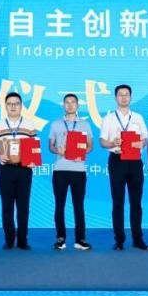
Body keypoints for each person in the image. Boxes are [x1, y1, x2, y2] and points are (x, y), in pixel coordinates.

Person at [99, 84, 148, 251]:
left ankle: (138, 239)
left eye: (126, 94)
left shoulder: (138, 117)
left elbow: (145, 139)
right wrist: (112, 143)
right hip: (117, 161)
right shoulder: (108, 118)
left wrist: (141, 143)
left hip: (135, 161)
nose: (123, 97)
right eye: (120, 95)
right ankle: (119, 240)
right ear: (115, 98)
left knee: (136, 202)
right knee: (118, 202)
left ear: (130, 97)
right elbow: (102, 142)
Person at [0, 92, 39, 250]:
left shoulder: (29, 124)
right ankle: (9, 239)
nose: (13, 106)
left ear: (21, 106)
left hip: (24, 170)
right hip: (5, 169)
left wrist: (33, 160)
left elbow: (34, 146)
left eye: (16, 103)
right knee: (7, 205)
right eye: (10, 104)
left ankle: (23, 240)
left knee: (23, 206)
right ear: (5, 106)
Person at [48, 93, 94, 251]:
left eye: (73, 102)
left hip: (78, 170)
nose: (70, 105)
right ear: (63, 105)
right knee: (59, 204)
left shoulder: (85, 124)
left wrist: (82, 152)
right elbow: (50, 146)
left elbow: (90, 145)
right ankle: (60, 238)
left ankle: (80, 239)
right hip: (60, 169)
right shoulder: (56, 124)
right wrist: (57, 150)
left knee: (78, 205)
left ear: (77, 105)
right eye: (67, 102)